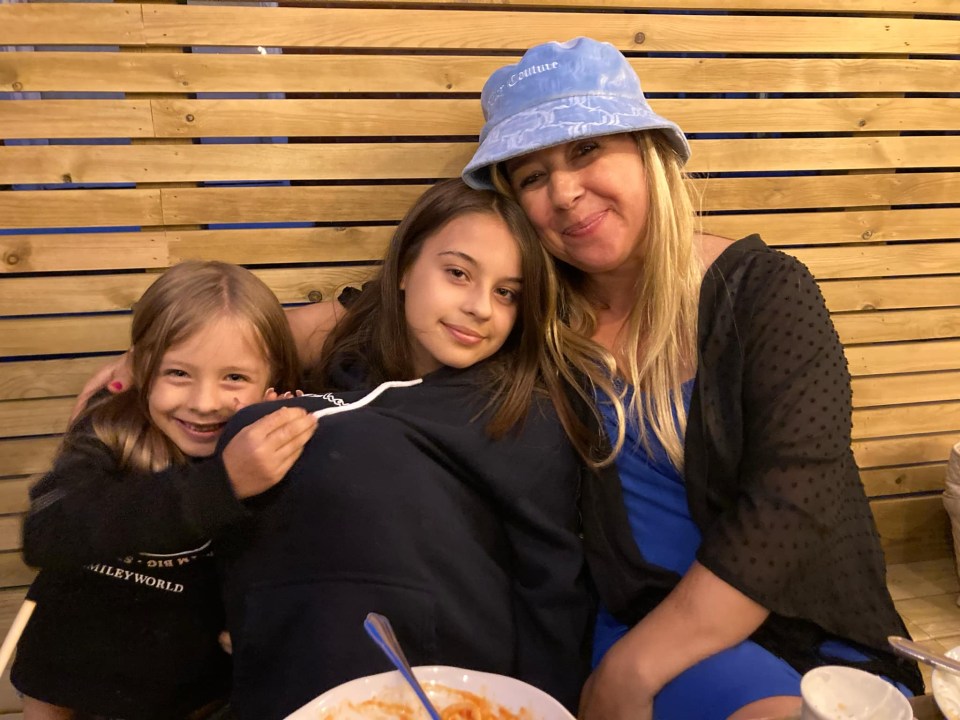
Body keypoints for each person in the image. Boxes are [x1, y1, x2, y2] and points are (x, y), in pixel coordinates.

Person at [461, 37, 923, 720]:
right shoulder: (529, 313)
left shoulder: (766, 292)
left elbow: (791, 502)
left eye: (586, 149)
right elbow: (405, 301)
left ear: (649, 154)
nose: (563, 191)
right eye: (530, 175)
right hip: (640, 611)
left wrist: (633, 669)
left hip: (799, 619)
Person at [213, 179, 617, 720]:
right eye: (457, 273)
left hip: (449, 688)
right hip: (294, 669)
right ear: (404, 268)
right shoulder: (345, 376)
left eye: (507, 293)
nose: (479, 307)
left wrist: (551, 707)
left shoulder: (523, 413)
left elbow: (553, 584)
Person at [13, 261, 318, 720]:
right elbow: (46, 531)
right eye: (178, 373)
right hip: (64, 684)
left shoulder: (263, 452)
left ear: (272, 382)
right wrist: (224, 483)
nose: (204, 402)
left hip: (181, 697)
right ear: (141, 369)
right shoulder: (110, 430)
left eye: (234, 377)